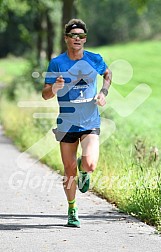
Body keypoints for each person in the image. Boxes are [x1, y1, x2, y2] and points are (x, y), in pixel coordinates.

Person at [42, 19, 111, 228]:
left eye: (81, 36)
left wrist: (103, 92)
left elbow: (107, 74)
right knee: (68, 168)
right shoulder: (57, 63)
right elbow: (45, 94)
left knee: (90, 163)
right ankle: (72, 210)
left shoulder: (94, 59)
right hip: (67, 124)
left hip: (90, 121)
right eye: (73, 35)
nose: (78, 39)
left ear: (85, 39)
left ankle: (84, 170)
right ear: (66, 39)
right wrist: (54, 88)